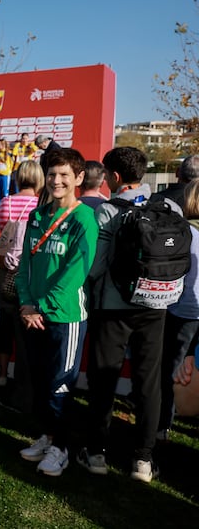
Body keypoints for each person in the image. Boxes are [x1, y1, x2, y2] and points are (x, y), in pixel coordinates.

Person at [80, 147, 175, 483]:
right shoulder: (169, 206)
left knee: (103, 380)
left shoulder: (107, 210)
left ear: (115, 177)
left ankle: (95, 453)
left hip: (113, 308)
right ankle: (143, 460)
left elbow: (97, 266)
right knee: (148, 383)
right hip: (156, 306)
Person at [15, 149, 98, 477]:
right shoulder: (38, 215)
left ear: (78, 178)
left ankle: (62, 448)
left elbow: (74, 274)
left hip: (64, 317)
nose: (57, 181)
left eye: (64, 175)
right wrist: (25, 303)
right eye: (51, 174)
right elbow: (25, 265)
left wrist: (42, 308)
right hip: (32, 313)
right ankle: (48, 437)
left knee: (59, 386)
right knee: (39, 382)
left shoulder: (83, 219)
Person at [0, 161, 44, 394]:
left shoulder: (6, 203)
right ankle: (26, 380)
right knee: (27, 330)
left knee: (5, 326)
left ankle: (2, 374)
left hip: (5, 272)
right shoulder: (41, 206)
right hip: (30, 274)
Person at [157, 177, 199, 441]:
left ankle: (163, 423)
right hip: (190, 310)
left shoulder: (183, 232)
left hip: (182, 310)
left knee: (173, 369)